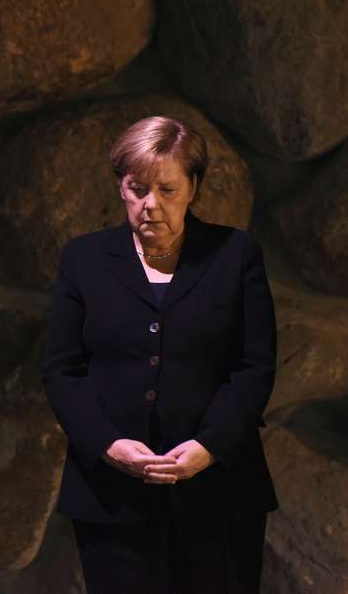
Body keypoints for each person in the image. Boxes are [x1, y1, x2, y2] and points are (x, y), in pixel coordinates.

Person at [41, 115, 278, 593]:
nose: (151, 204)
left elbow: (254, 367)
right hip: (112, 494)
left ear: (193, 187)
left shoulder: (235, 254)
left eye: (167, 189)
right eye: (137, 188)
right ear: (121, 188)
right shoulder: (84, 259)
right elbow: (62, 371)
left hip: (218, 491)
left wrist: (208, 447)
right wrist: (109, 445)